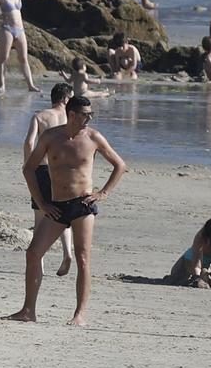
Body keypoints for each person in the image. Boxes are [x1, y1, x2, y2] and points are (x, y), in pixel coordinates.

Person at [9, 96, 128, 325]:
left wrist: (102, 193)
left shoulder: (93, 137)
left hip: (82, 206)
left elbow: (120, 165)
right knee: (33, 253)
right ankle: (28, 311)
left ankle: (79, 315)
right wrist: (42, 203)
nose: (89, 118)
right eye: (85, 114)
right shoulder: (51, 137)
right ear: (72, 114)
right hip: (57, 205)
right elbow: (29, 169)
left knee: (83, 257)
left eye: (91, 114)